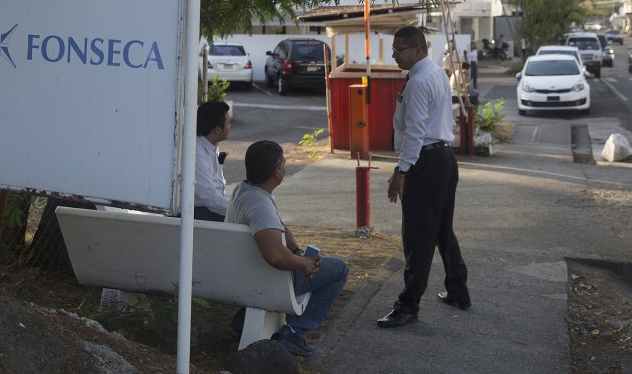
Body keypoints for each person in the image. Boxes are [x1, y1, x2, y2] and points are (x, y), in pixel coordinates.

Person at [377, 25, 470, 329]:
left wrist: (400, 172)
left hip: (426, 162)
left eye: (399, 49)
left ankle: (408, 305)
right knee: (441, 228)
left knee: (418, 235)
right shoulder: (436, 73)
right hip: (443, 159)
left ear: (418, 50)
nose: (394, 55)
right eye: (393, 49)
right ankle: (458, 289)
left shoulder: (418, 81)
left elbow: (415, 132)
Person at [227, 140, 349, 357]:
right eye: (283, 163)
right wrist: (305, 263)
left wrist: (296, 250)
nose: (285, 166)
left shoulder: (244, 190)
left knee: (315, 262)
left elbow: (279, 225)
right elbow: (274, 256)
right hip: (270, 278)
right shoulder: (260, 204)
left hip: (243, 274)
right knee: (339, 269)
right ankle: (294, 332)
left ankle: (246, 317)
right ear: (277, 171)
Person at [194, 101, 231, 221]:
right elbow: (209, 197)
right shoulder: (195, 151)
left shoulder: (212, 144)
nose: (230, 126)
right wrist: (238, 209)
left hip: (209, 208)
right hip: (199, 212)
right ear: (218, 130)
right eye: (228, 123)